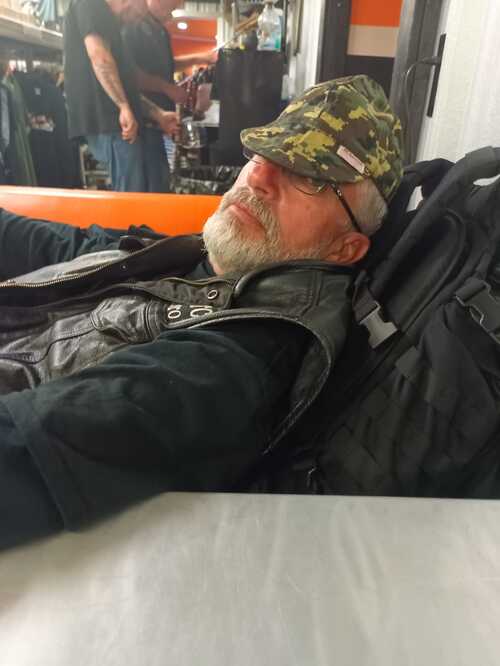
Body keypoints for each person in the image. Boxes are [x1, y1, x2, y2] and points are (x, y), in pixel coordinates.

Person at [0, 75, 402, 550]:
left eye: (311, 178)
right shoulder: (194, 257)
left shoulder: (238, 359)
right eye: (263, 153)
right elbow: (64, 246)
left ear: (345, 248)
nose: (258, 177)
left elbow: (32, 448)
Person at [63, 0, 179, 192]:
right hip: (111, 122)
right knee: (132, 196)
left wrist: (158, 114)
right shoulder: (91, 5)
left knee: (144, 192)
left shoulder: (112, 25)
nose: (139, 19)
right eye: (140, 13)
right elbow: (99, 56)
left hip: (119, 122)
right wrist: (123, 106)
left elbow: (126, 85)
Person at [122, 0, 217, 192]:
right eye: (171, 7)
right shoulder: (133, 27)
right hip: (142, 123)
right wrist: (167, 88)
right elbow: (130, 75)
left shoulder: (159, 30)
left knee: (161, 183)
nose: (172, 14)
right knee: (144, 188)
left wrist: (202, 57)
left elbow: (168, 64)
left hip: (160, 123)